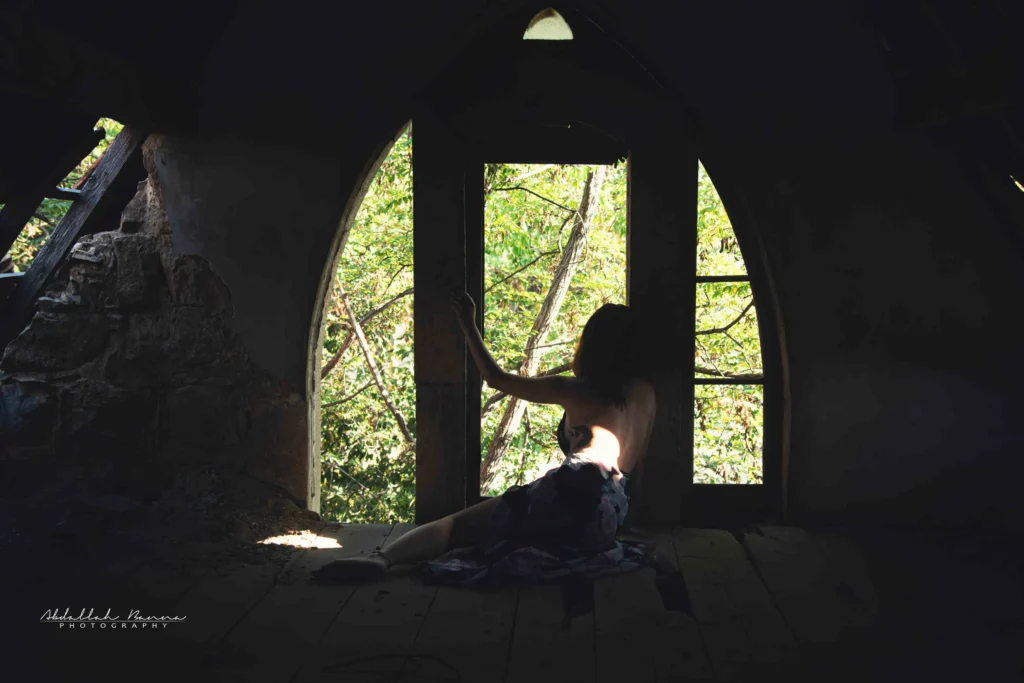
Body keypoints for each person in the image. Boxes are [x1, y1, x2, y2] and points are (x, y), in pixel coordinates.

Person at [314, 290, 657, 585]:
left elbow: (496, 378)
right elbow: (634, 467)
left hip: (570, 490)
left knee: (455, 526)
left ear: (592, 347)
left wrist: (468, 323)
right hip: (607, 513)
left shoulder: (573, 389)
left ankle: (381, 559)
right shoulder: (646, 396)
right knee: (503, 534)